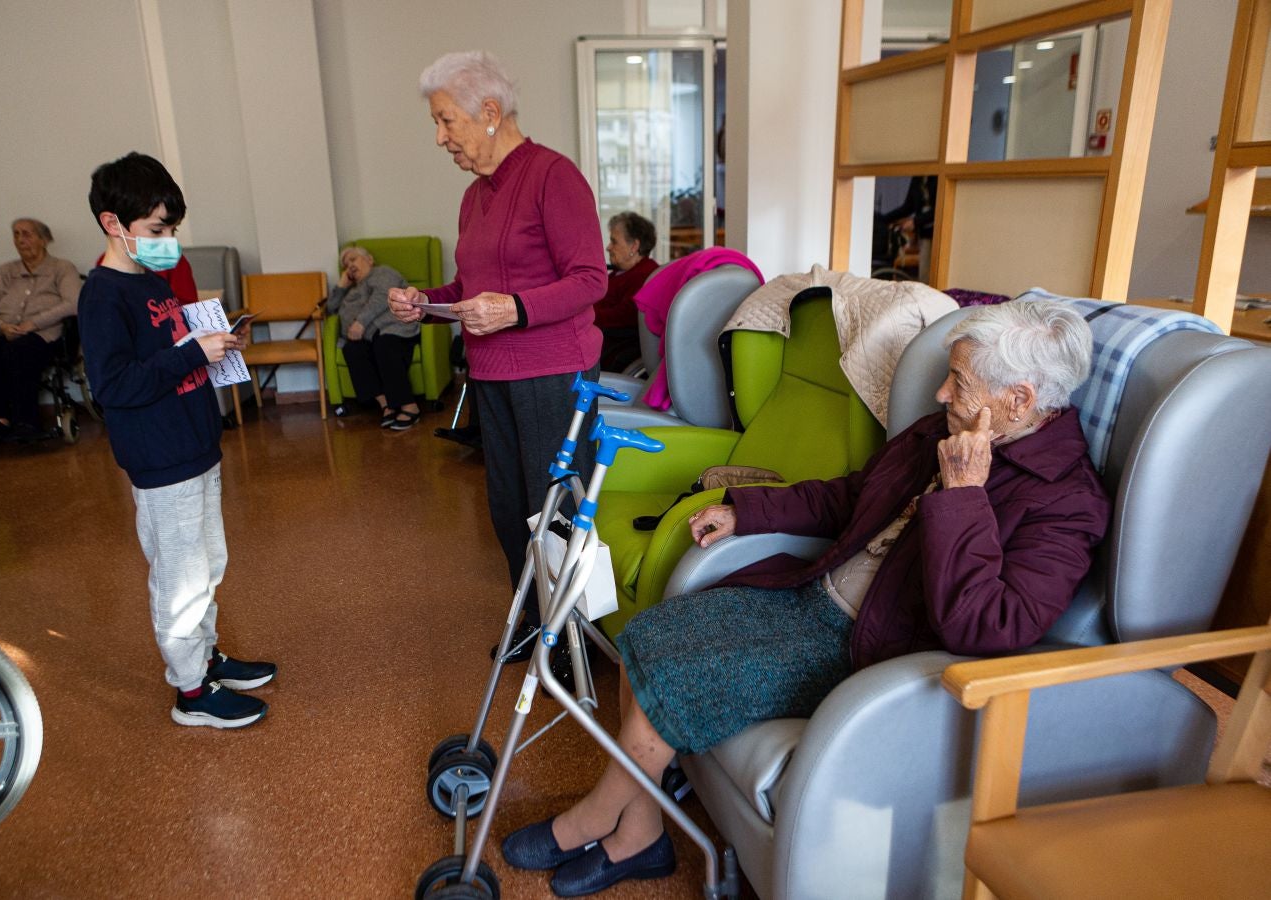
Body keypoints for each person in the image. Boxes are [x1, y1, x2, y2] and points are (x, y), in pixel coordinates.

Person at [500, 301, 1111, 896]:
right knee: (653, 632)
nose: (940, 395)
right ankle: (642, 830)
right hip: (814, 595)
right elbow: (854, 495)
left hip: (872, 646)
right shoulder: (942, 431)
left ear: (1020, 400)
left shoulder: (1067, 502)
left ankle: (593, 819)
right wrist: (747, 511)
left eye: (959, 381)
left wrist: (964, 496)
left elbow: (991, 625)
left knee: (676, 679)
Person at [388, 51, 607, 686]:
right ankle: (536, 622)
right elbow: (473, 285)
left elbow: (590, 280)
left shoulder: (553, 176)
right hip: (493, 375)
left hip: (552, 372)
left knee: (553, 513)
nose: (440, 138)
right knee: (510, 509)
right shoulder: (473, 197)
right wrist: (427, 303)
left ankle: (573, 638)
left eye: (446, 121)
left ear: (489, 113)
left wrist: (513, 309)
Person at [78, 152, 276, 730]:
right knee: (180, 577)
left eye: (172, 230)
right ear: (114, 224)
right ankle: (191, 690)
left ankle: (206, 657)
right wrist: (193, 352)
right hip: (161, 458)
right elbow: (113, 385)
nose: (169, 241)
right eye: (157, 231)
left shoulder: (153, 281)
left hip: (194, 447)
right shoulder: (103, 295)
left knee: (208, 563)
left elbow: (171, 351)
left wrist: (215, 344)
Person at [0, 218, 81, 437]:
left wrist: (34, 323)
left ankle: (26, 422)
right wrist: (0, 326)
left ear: (44, 240)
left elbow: (73, 303)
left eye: (27, 234)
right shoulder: (6, 271)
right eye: (16, 234)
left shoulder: (62, 268)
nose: (20, 240)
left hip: (44, 335)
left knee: (19, 352)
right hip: (5, 332)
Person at [327, 245, 420, 428]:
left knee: (384, 345)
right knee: (351, 350)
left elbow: (382, 296)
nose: (350, 266)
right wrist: (341, 285)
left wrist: (360, 322)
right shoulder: (352, 289)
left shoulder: (381, 272)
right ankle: (386, 404)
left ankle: (410, 406)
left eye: (353, 259)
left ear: (369, 259)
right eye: (346, 264)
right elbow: (330, 308)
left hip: (392, 328)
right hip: (366, 336)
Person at [596, 211, 659, 372]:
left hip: (615, 350)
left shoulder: (645, 276)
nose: (608, 247)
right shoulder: (620, 272)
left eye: (614, 241)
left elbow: (625, 316)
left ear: (634, 246)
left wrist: (584, 314)